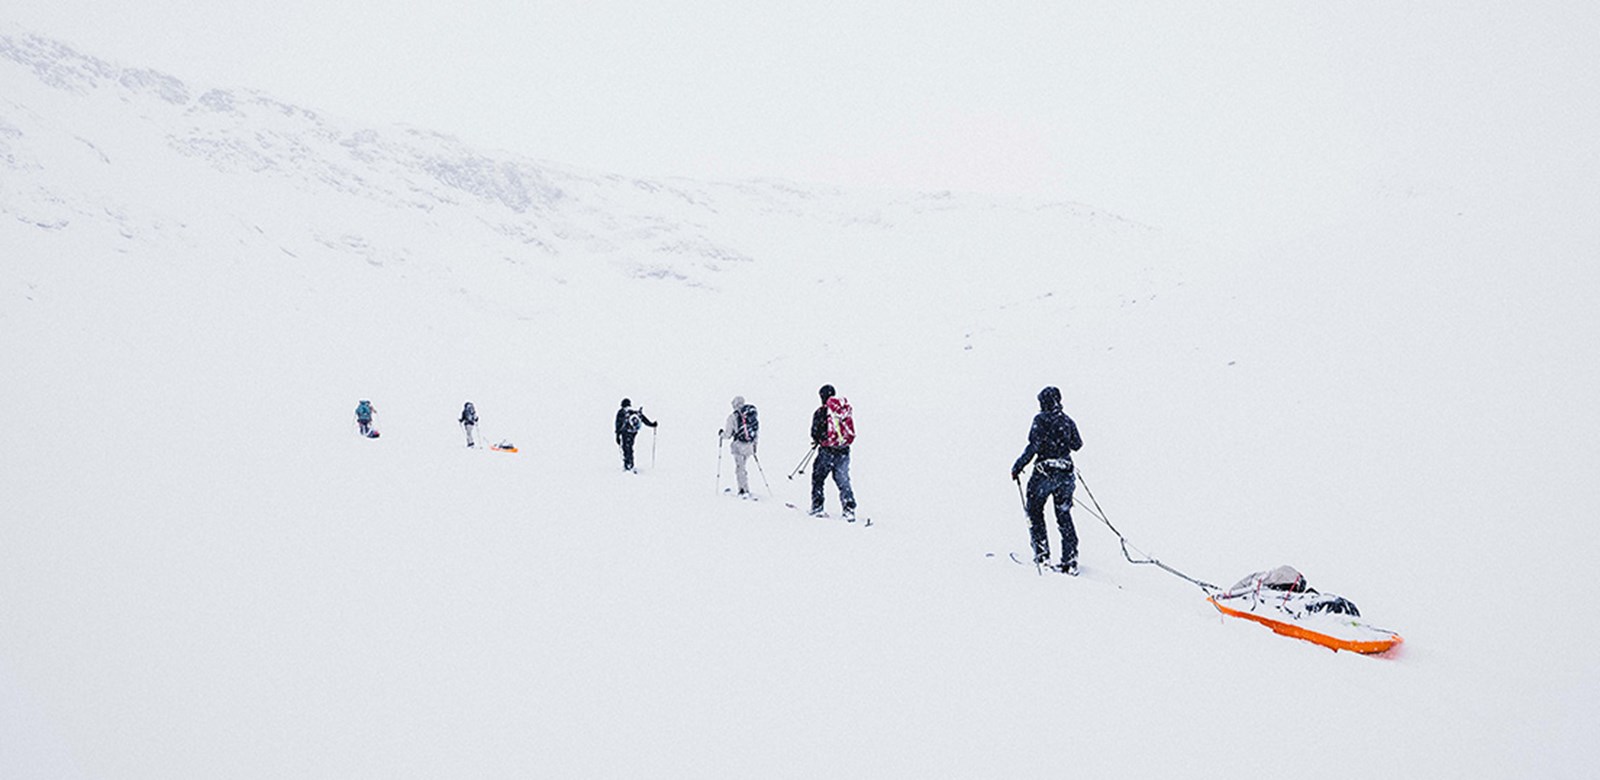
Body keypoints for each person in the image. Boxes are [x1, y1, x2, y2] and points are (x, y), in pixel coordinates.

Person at [1011, 386, 1084, 574]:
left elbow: (1033, 446)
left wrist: (1018, 466)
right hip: (1066, 474)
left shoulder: (1040, 420)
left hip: (1044, 473)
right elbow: (1077, 445)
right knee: (1064, 515)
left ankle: (1042, 557)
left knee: (1035, 512)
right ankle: (1070, 560)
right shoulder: (1067, 421)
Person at [809, 384, 857, 520]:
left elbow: (814, 433)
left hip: (827, 451)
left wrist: (819, 439)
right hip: (844, 450)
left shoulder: (820, 412)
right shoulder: (843, 411)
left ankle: (817, 507)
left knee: (818, 479)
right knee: (843, 481)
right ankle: (849, 509)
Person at [718, 396, 759, 497]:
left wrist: (721, 435)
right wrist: (754, 447)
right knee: (743, 467)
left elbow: (728, 434)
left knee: (740, 468)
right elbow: (756, 432)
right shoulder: (751, 416)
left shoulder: (733, 417)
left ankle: (743, 490)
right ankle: (745, 488)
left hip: (738, 446)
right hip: (749, 446)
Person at [614, 398, 657, 472]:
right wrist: (652, 424)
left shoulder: (621, 412)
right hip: (633, 432)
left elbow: (618, 424)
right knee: (630, 447)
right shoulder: (633, 412)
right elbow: (643, 419)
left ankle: (628, 465)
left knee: (626, 448)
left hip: (625, 432)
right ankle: (630, 464)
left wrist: (617, 435)